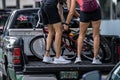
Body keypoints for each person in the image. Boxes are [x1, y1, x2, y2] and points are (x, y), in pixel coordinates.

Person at [64, 0, 102, 64]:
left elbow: (71, 11)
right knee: (96, 35)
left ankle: (78, 57)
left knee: (81, 35)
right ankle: (95, 59)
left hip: (84, 13)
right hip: (96, 11)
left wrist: (67, 23)